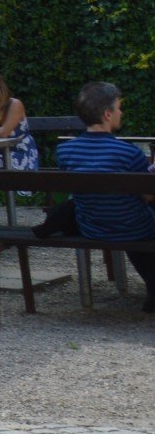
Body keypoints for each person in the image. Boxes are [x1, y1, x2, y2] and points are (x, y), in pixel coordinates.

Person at [51, 81, 155, 312]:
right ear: (108, 114)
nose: (121, 112)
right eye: (118, 108)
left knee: (123, 214)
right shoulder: (129, 152)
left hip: (93, 226)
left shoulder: (65, 151)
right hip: (134, 227)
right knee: (138, 217)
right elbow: (148, 196)